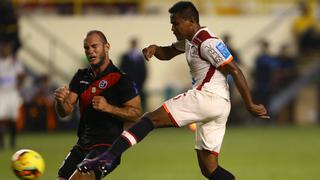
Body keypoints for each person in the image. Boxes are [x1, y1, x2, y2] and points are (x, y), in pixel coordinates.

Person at [77, 2, 269, 180]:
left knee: (149, 119)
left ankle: (106, 157)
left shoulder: (207, 41)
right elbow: (168, 52)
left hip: (207, 97)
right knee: (209, 169)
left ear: (190, 21)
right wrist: (154, 49)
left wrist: (249, 104)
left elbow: (235, 70)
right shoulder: (190, 39)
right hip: (218, 107)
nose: (172, 28)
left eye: (175, 23)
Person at [54, 30, 143, 180]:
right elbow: (65, 111)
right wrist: (60, 101)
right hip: (82, 145)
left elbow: (136, 113)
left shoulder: (121, 79)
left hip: (107, 148)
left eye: (95, 46)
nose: (90, 51)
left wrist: (108, 108)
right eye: (87, 48)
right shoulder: (80, 76)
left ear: (107, 47)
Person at [0, 39, 24, 150]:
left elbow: (22, 75)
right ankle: (1, 142)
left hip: (12, 93)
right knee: (1, 118)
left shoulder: (14, 61)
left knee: (13, 119)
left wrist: (19, 85)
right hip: (1, 93)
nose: (4, 50)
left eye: (6, 47)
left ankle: (12, 142)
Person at [120, 38, 148, 110]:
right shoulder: (125, 56)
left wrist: (142, 82)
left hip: (139, 84)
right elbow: (122, 70)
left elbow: (144, 71)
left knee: (140, 100)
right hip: (128, 83)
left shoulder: (141, 57)